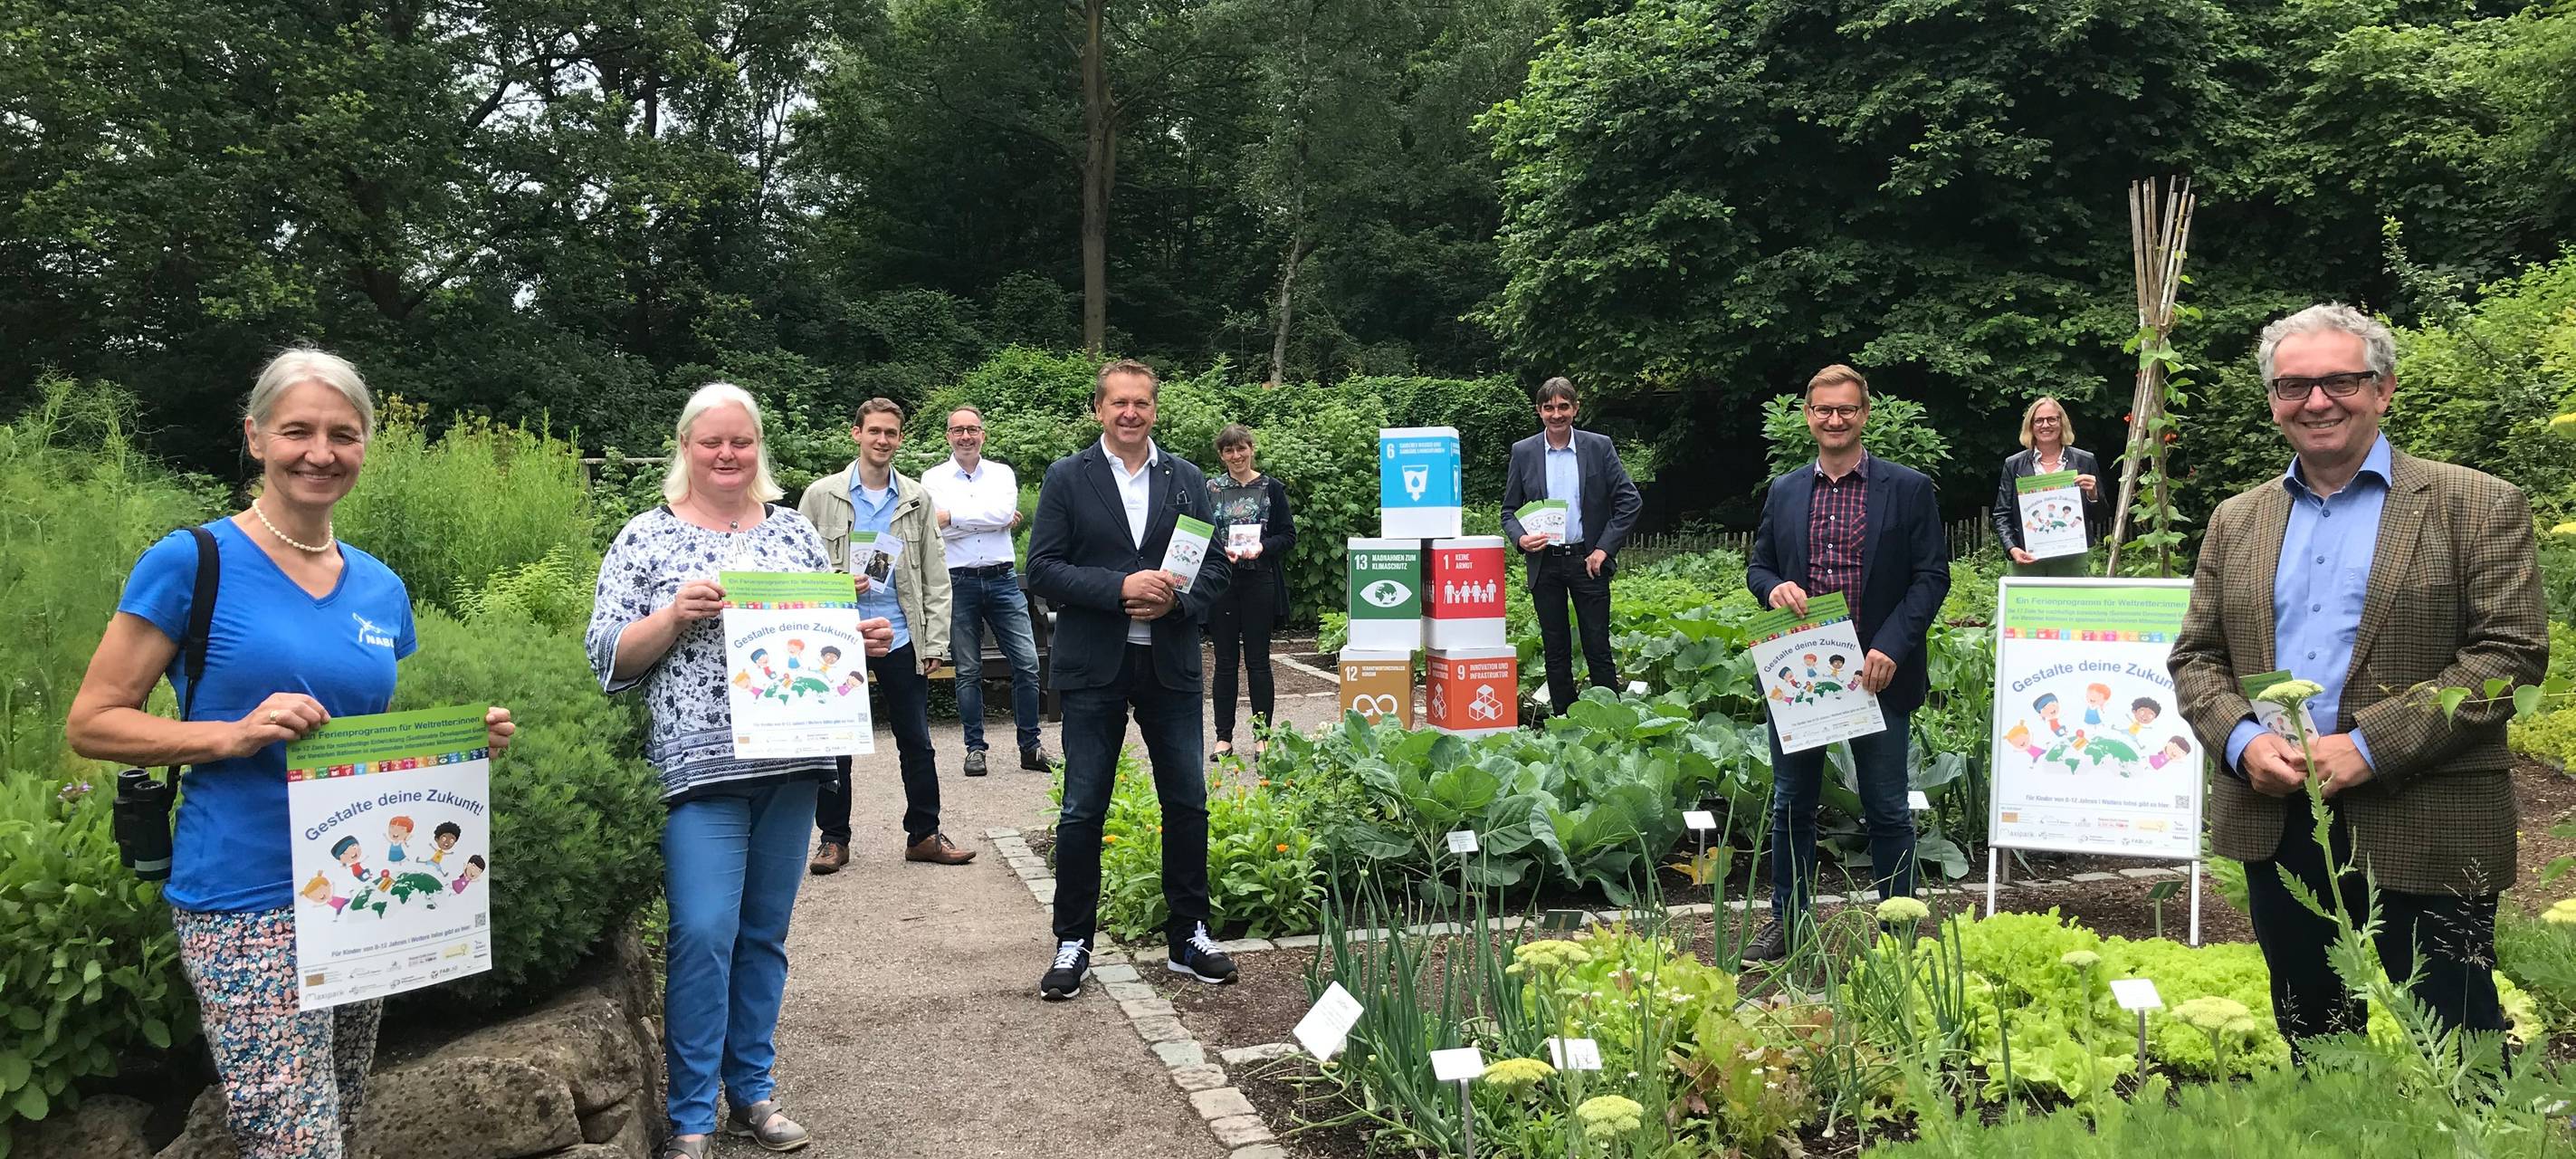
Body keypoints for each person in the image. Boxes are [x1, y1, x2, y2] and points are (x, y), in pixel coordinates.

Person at [67, 349, 517, 1159]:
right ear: (256, 438)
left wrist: (454, 750)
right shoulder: (191, 562)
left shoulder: (380, 587)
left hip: (359, 891)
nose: (320, 452)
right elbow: (93, 722)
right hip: (244, 892)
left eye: (343, 434)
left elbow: (360, 742)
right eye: (297, 431)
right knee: (294, 1141)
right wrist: (231, 735)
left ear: (365, 445)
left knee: (339, 1117)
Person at [2169, 303, 2546, 1052]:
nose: (2317, 401)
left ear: (2384, 389)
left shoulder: (2476, 503)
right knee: (2316, 1040)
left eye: (2341, 381)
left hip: (2428, 812)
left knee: (2460, 1042)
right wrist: (2242, 741)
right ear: (2273, 401)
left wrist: (2367, 747)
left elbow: (2508, 658)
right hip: (2278, 812)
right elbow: (2198, 658)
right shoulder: (2237, 520)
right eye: (2293, 386)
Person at [586, 381, 894, 1159]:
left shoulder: (793, 533)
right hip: (700, 769)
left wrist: (858, 640)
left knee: (764, 933)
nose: (728, 454)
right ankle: (691, 1113)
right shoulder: (646, 538)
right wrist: (671, 615)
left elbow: (820, 637)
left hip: (793, 759)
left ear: (759, 449)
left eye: (742, 441)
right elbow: (607, 658)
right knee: (702, 933)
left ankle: (751, 1092)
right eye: (712, 442)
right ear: (685, 448)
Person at [1026, 359, 1238, 1000]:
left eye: (1140, 403)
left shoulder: (1187, 478)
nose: (1129, 413)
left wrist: (1175, 603)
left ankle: (1189, 934)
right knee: (1082, 806)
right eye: (1118, 402)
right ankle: (1073, 940)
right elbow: (1042, 569)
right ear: (1098, 409)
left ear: (1154, 409)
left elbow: (1215, 567)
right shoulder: (1068, 476)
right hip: (1095, 665)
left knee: (1187, 801)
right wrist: (1120, 586)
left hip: (1169, 664)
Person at [1740, 364, 1951, 965]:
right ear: (1808, 416)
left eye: (1847, 409)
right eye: (1824, 409)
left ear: (1864, 415)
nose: (1835, 419)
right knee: (1792, 805)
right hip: (1803, 674)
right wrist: (1773, 588)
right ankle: (1788, 921)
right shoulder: (1785, 490)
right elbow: (1758, 566)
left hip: (1877, 674)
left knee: (1886, 807)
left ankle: (1898, 929)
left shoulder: (1907, 489)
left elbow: (1931, 577)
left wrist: (1891, 646)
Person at [800, 398, 969, 873]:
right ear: (856, 433)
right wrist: (836, 582)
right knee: (836, 743)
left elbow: (936, 574)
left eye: (890, 433)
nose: (882, 440)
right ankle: (833, 839)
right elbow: (798, 568)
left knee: (916, 740)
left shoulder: (916, 498)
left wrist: (934, 642)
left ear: (900, 439)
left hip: (899, 633)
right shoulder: (821, 495)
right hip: (838, 635)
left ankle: (925, 835)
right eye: (873, 431)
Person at [921, 406, 1056, 776]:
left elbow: (1000, 514)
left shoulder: (1001, 473)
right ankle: (975, 749)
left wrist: (954, 516)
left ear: (983, 434)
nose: (966, 436)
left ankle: (1030, 748)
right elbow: (935, 527)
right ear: (948, 436)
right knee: (967, 670)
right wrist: (991, 519)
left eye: (972, 429)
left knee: (1027, 664)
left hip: (1002, 580)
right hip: (957, 582)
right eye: (958, 430)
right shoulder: (932, 478)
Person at [1499, 377, 1643, 714]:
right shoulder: (1524, 451)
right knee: (1555, 648)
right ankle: (1564, 720)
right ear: (1539, 411)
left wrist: (1603, 548)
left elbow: (1630, 501)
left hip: (1587, 561)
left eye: (1563, 406)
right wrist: (1520, 538)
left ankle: (1609, 719)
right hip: (1544, 561)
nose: (1557, 414)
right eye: (1549, 407)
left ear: (1576, 409)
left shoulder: (1598, 447)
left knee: (1597, 646)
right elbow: (1508, 510)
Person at [1206, 423, 1297, 760]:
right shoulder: (1211, 488)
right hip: (1222, 582)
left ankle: (1262, 738)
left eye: (1241, 448)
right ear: (1222, 455)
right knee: (1224, 662)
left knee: (1259, 662)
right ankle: (1223, 738)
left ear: (1251, 449)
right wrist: (1219, 551)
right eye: (1229, 450)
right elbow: (1201, 532)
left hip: (1259, 580)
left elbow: (1288, 535)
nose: (1236, 455)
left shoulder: (1271, 488)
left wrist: (1262, 547)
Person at [1989, 396, 2106, 576]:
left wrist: (2093, 494)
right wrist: (2012, 548)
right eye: (2039, 420)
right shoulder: (2013, 465)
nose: (2045, 425)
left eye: (2052, 419)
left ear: (2062, 423)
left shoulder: (2085, 461)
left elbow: (2100, 517)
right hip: (2027, 558)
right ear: (2030, 426)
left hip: (2072, 560)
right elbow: (2002, 514)